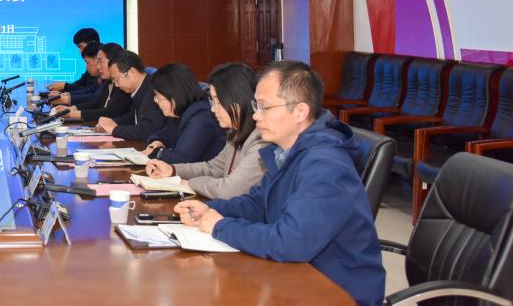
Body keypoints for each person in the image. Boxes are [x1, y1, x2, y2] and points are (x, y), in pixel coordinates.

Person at [174, 61, 385, 306]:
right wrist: (210, 210)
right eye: (256, 105)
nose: (255, 115)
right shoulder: (286, 151)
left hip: (338, 291)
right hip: (298, 276)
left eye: (264, 107)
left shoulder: (326, 165)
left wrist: (220, 227)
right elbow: (258, 203)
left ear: (300, 112)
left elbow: (291, 242)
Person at [147, 63, 267, 200]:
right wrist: (173, 170)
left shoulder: (261, 141)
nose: (213, 109)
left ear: (239, 100)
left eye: (218, 102)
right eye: (213, 101)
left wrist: (190, 184)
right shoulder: (236, 132)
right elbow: (214, 168)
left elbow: (229, 189)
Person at [143, 63, 224, 164]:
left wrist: (156, 152)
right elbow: (161, 134)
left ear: (174, 96)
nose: (157, 101)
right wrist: (156, 142)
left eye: (159, 97)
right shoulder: (179, 112)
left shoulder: (201, 116)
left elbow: (181, 159)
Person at [96, 51, 166, 140]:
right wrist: (111, 122)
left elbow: (149, 130)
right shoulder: (141, 88)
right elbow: (133, 118)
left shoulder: (154, 91)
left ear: (132, 72)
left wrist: (115, 129)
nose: (116, 85)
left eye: (117, 80)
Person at [62, 43, 131, 122]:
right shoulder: (108, 82)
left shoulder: (123, 85)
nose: (98, 67)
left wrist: (74, 113)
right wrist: (71, 109)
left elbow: (109, 113)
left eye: (100, 62)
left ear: (113, 62)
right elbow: (96, 102)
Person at [47, 27, 101, 92]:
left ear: (93, 43)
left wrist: (65, 87)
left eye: (80, 46)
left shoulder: (101, 68)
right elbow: (81, 83)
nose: (79, 51)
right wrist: (63, 90)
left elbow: (90, 91)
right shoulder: (91, 68)